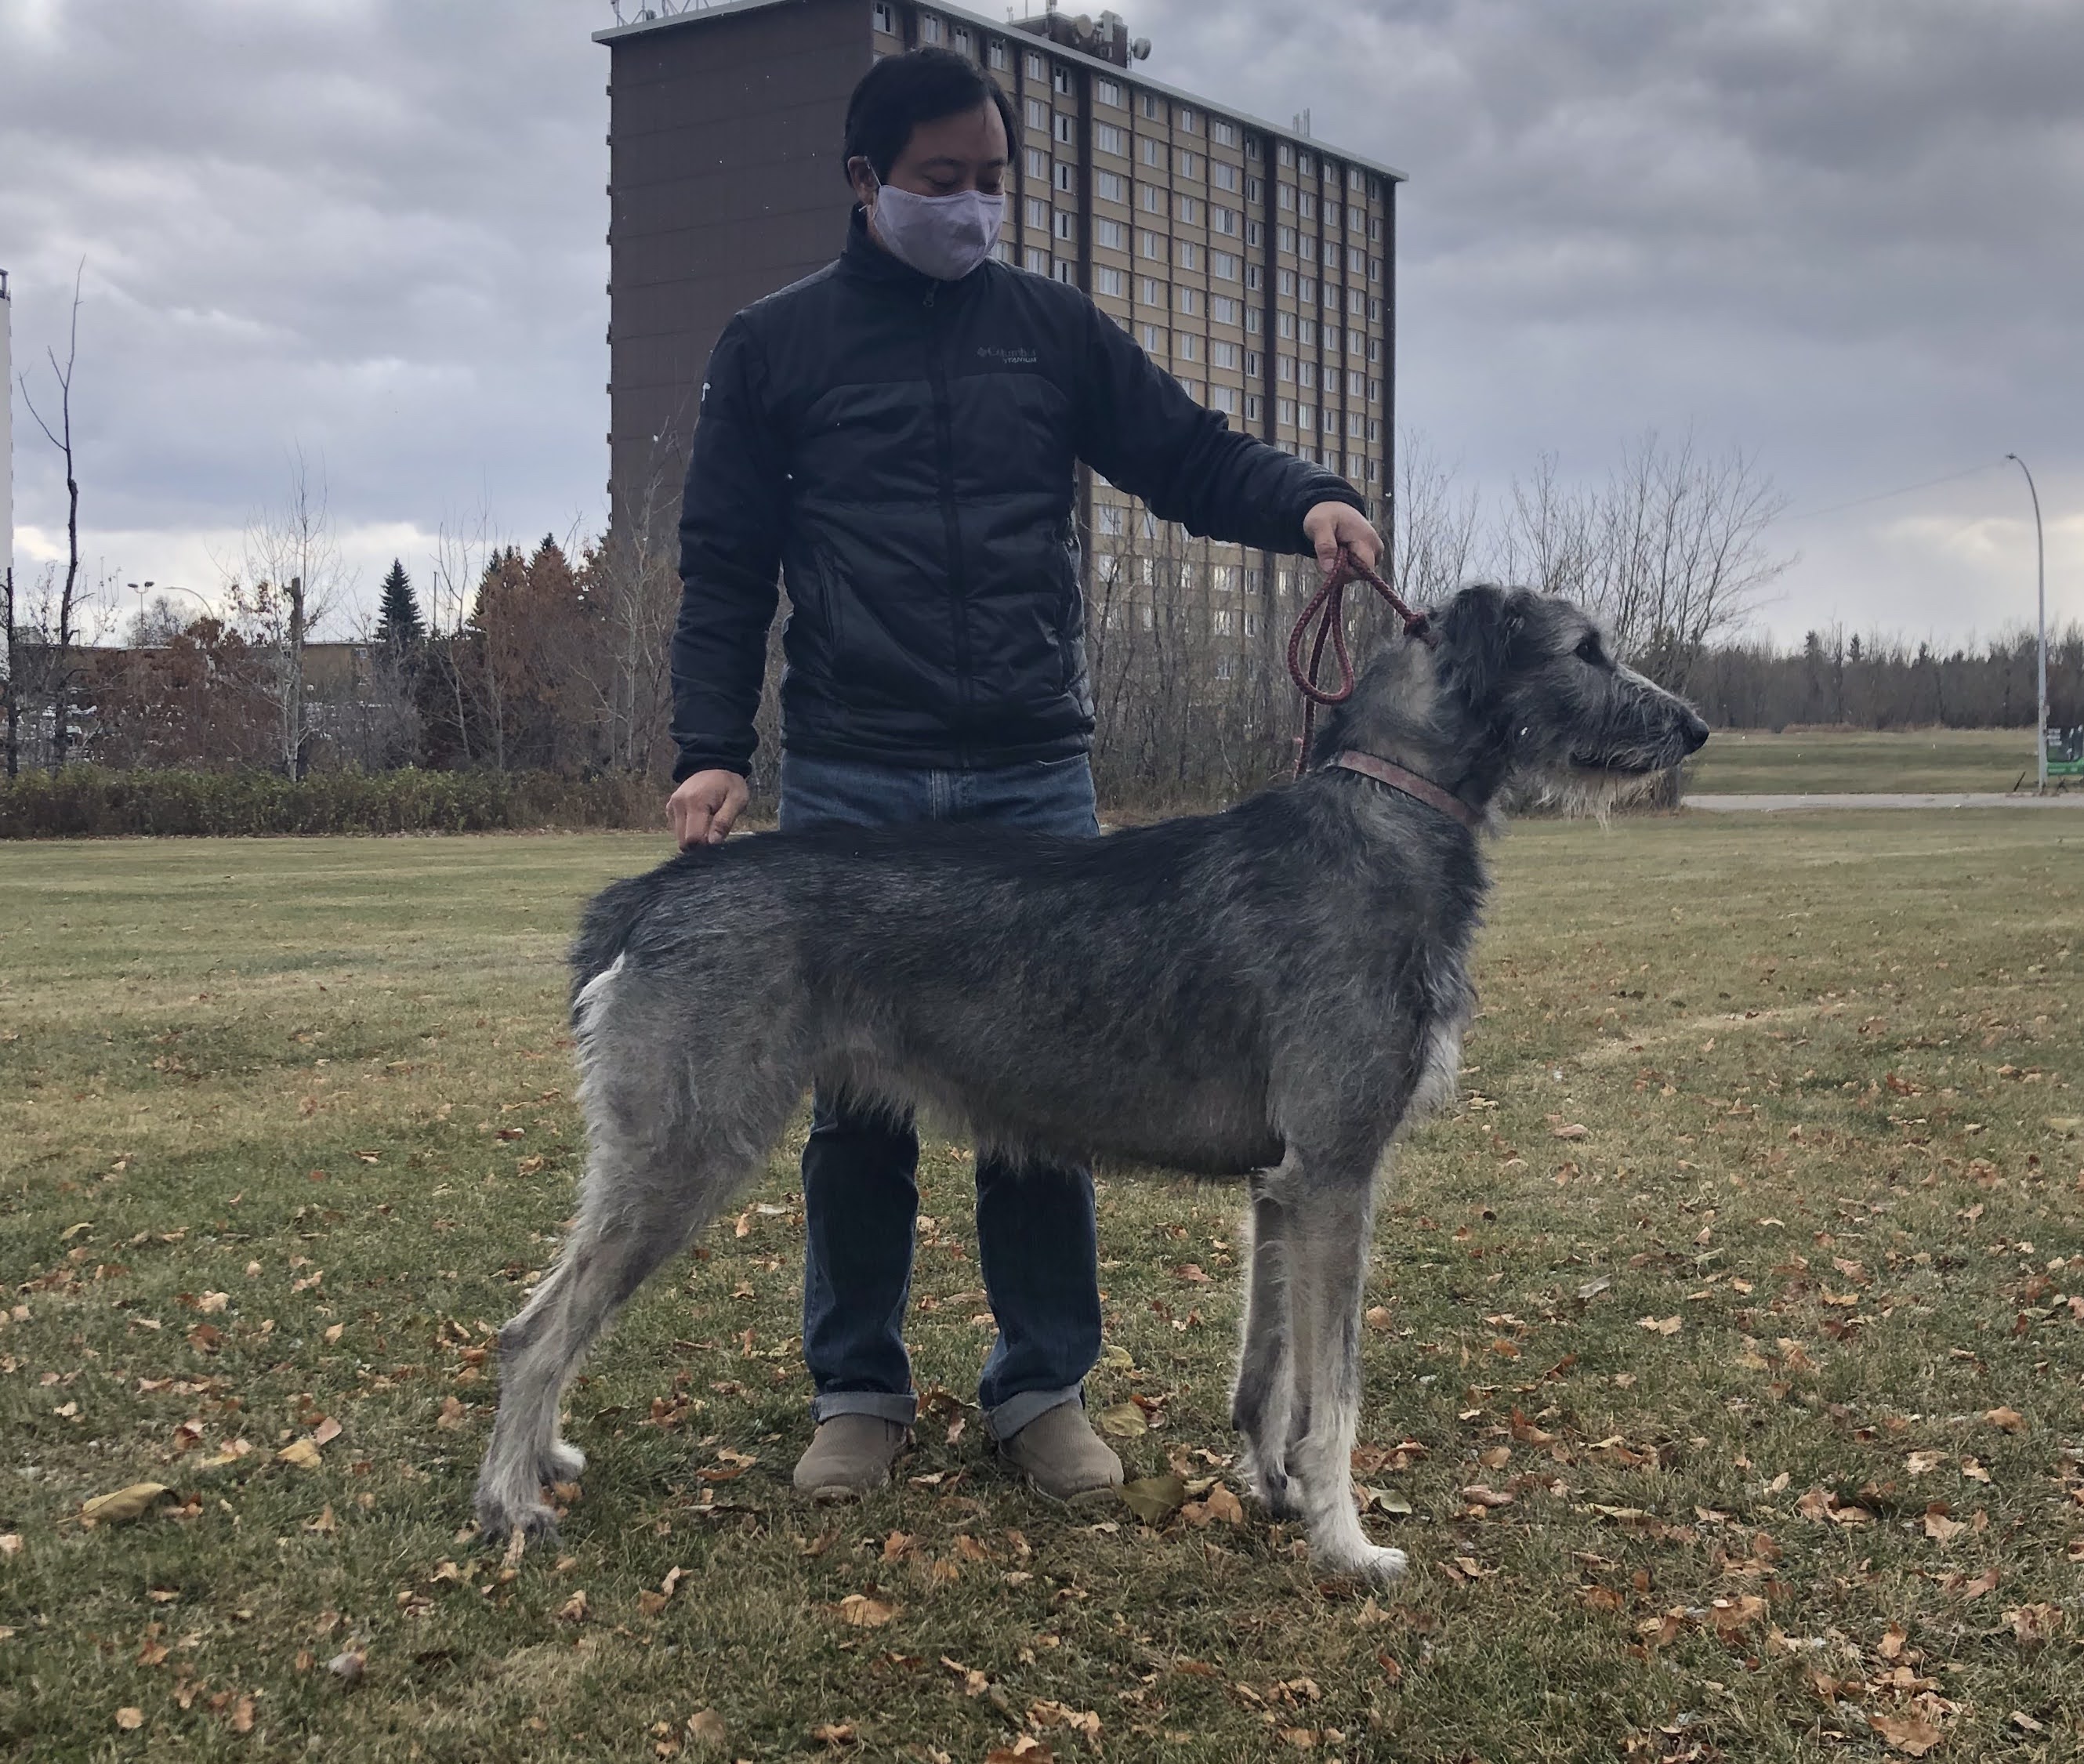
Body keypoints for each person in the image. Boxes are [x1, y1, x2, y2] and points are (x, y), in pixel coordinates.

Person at [665, 47, 1383, 1505]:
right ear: (865, 181)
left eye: (994, 181)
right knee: (854, 1109)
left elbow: (1187, 456)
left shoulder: (1051, 333)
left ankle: (1043, 1385)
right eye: (943, 181)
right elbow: (726, 562)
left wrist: (1308, 499)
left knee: (1055, 1093)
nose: (974, 207)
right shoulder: (774, 346)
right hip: (857, 775)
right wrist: (710, 751)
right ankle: (857, 1389)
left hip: (1029, 774)